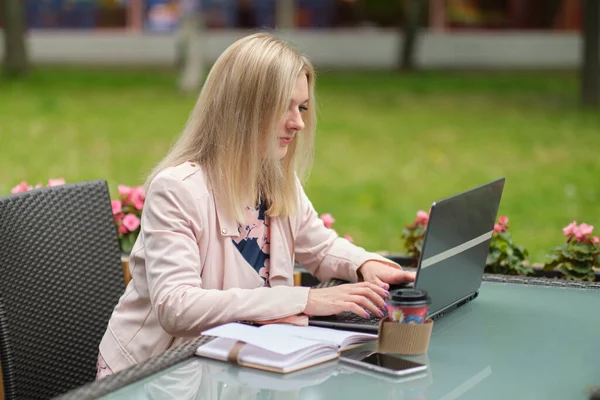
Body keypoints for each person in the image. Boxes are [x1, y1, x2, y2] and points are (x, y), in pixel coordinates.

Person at [96, 32, 415, 379]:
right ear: (242, 109)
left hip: (233, 367)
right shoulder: (177, 191)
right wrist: (304, 300)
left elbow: (319, 247)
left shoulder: (274, 178)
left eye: (302, 107)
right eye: (284, 107)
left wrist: (365, 264)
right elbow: (177, 307)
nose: (299, 123)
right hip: (154, 377)